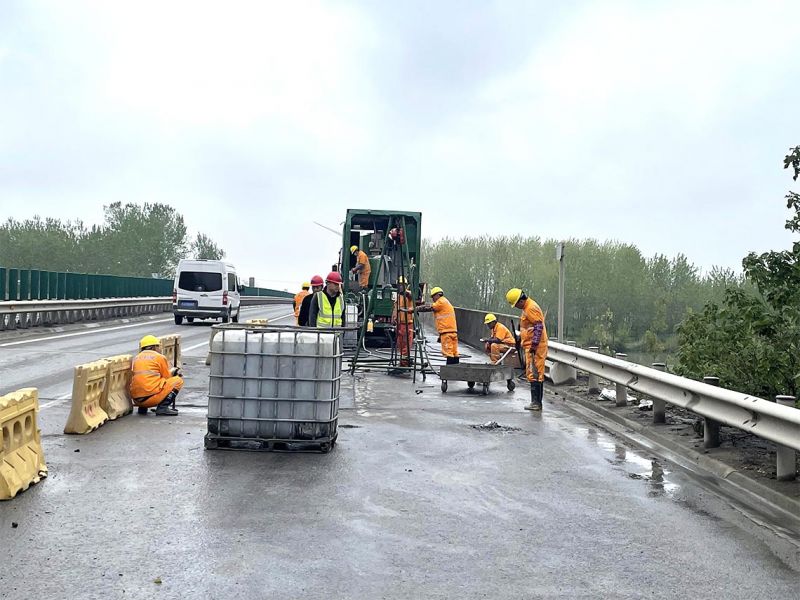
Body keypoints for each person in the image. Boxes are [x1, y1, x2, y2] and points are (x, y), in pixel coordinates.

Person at [506, 288, 548, 411]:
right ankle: (536, 402)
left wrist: (534, 345)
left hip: (535, 346)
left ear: (520, 301)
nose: (517, 307)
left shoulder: (530, 308)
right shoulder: (527, 307)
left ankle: (536, 403)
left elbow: (538, 326)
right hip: (531, 345)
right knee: (534, 373)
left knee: (535, 373)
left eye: (516, 305)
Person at [130, 335, 183, 416]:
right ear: (154, 347)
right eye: (158, 346)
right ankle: (163, 407)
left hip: (137, 400)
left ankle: (142, 408)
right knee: (178, 381)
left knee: (148, 381)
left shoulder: (136, 358)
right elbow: (167, 377)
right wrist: (174, 372)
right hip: (151, 399)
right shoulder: (159, 357)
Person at [415, 286, 459, 364]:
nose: (433, 299)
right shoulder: (445, 301)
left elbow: (429, 307)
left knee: (448, 352)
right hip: (452, 331)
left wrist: (416, 309)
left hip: (446, 332)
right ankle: (456, 369)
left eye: (433, 297)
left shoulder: (440, 302)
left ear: (437, 295)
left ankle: (449, 371)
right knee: (454, 352)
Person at [392, 276, 415, 367]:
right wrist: (393, 317)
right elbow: (395, 307)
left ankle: (404, 363)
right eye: (399, 285)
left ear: (406, 285)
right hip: (399, 324)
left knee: (406, 345)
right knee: (400, 344)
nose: (400, 287)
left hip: (407, 324)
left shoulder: (408, 295)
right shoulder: (398, 296)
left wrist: (405, 292)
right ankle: (403, 361)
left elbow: (411, 296)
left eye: (402, 285)